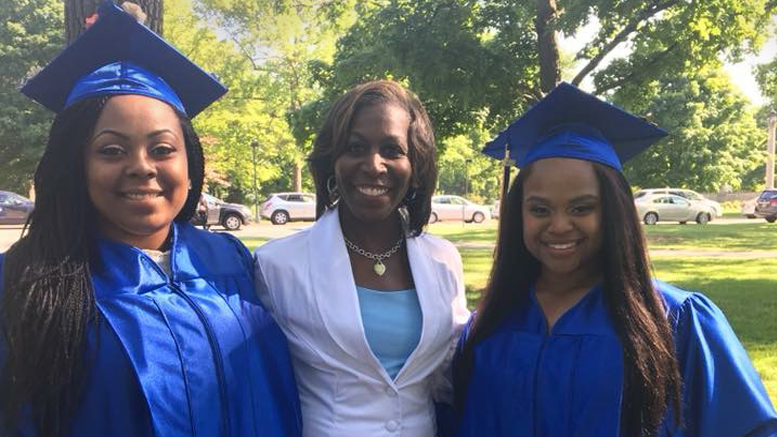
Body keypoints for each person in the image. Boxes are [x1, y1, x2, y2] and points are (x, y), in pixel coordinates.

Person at [0, 2, 301, 436]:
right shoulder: (23, 282)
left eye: (162, 149)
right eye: (111, 150)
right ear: (76, 163)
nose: (142, 167)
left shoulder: (229, 260)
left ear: (189, 162)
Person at [451, 82, 777, 437]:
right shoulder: (487, 326)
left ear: (613, 212)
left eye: (582, 208)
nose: (559, 225)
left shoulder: (673, 320)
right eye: (540, 209)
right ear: (519, 214)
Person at [254, 80, 470, 437]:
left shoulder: (444, 261)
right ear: (333, 162)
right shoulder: (277, 266)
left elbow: (447, 377)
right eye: (355, 147)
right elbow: (263, 383)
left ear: (415, 165)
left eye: (392, 150)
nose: (373, 165)